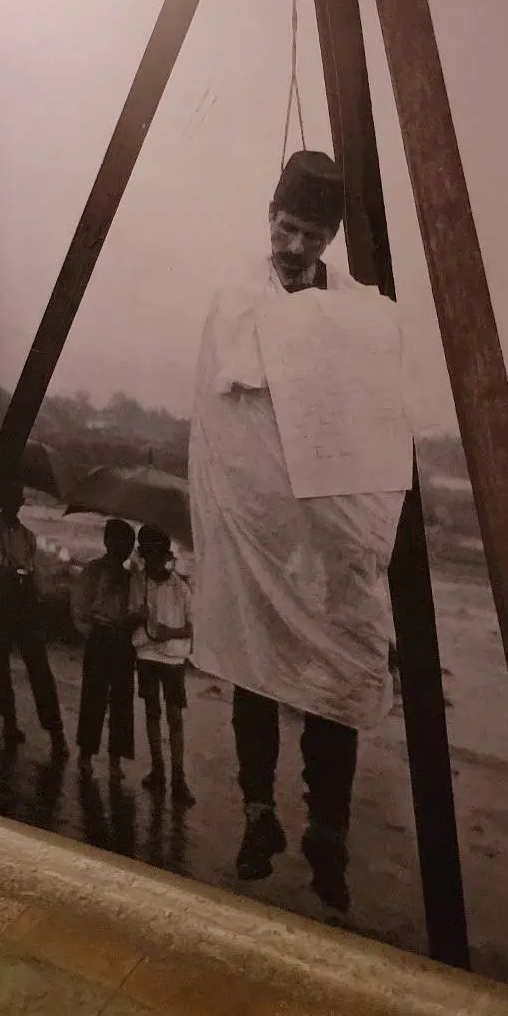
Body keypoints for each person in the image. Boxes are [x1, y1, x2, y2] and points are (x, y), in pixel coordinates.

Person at [188, 149, 412, 914]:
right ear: (269, 219)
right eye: (286, 229)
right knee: (255, 663)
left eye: (311, 237)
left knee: (336, 672)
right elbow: (225, 425)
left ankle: (328, 830)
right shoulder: (235, 303)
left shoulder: (360, 313)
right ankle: (259, 815)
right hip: (260, 527)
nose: (294, 248)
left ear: (329, 240)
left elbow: (372, 415)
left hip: (329, 531)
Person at [0, 482, 68, 761]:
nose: (13, 505)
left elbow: (26, 569)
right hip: (2, 599)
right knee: (2, 664)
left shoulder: (26, 536)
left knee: (36, 665)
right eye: (9, 500)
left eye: (15, 500)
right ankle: (10, 723)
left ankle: (55, 732)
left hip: (20, 599)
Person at [129, 524, 196, 807]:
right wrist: (138, 615)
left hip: (172, 658)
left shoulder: (181, 588)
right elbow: (131, 618)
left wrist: (171, 633)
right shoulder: (138, 582)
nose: (153, 560)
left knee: (175, 716)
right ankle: (158, 769)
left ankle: (178, 777)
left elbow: (193, 627)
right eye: (148, 554)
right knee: (152, 712)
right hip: (146, 655)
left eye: (158, 555)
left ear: (166, 556)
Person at [71, 518, 138, 780]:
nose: (125, 547)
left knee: (122, 701)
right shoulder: (94, 571)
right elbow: (79, 605)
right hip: (100, 636)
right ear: (108, 542)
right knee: (93, 697)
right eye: (121, 542)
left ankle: (115, 760)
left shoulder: (131, 577)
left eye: (129, 543)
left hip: (122, 640)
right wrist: (91, 633)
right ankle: (86, 755)